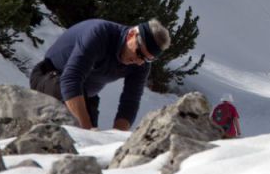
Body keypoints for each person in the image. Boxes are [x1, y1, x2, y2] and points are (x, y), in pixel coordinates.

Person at [29, 18, 170, 130]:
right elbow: (70, 79)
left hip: (85, 95)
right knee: (81, 130)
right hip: (48, 77)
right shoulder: (100, 34)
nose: (139, 62)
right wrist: (86, 130)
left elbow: (130, 102)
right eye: (139, 53)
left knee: (90, 144)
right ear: (132, 34)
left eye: (146, 59)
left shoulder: (141, 65)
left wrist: (116, 139)